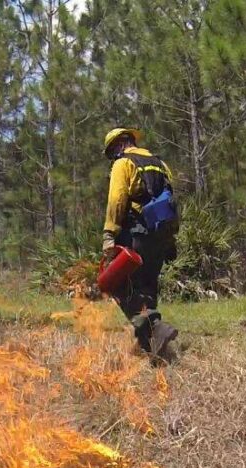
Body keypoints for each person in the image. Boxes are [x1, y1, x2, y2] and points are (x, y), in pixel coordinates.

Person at [101, 127, 179, 359]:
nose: (113, 156)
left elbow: (117, 199)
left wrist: (109, 234)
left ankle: (155, 328)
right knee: (148, 287)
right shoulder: (160, 164)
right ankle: (153, 350)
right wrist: (171, 238)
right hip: (161, 236)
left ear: (118, 145)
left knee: (121, 287)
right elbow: (172, 203)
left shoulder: (123, 163)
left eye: (112, 151)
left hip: (136, 235)